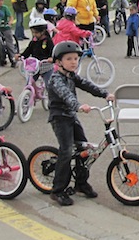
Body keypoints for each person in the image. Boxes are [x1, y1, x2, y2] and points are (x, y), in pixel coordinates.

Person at [46, 41, 115, 206]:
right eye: (69, 59)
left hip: (71, 116)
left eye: (76, 59)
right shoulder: (56, 78)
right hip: (60, 118)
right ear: (58, 62)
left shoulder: (71, 75)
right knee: (67, 150)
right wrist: (78, 106)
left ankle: (81, 183)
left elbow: (86, 85)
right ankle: (57, 191)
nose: (73, 62)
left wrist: (104, 94)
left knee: (84, 150)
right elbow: (65, 95)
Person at [16, 18, 54, 84]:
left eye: (36, 32)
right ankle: (28, 92)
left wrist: (51, 58)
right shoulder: (34, 41)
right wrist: (21, 56)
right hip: (35, 67)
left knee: (49, 84)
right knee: (29, 82)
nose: (34, 34)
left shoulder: (48, 41)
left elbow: (52, 51)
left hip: (46, 67)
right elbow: (28, 51)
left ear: (43, 31)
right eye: (33, 32)